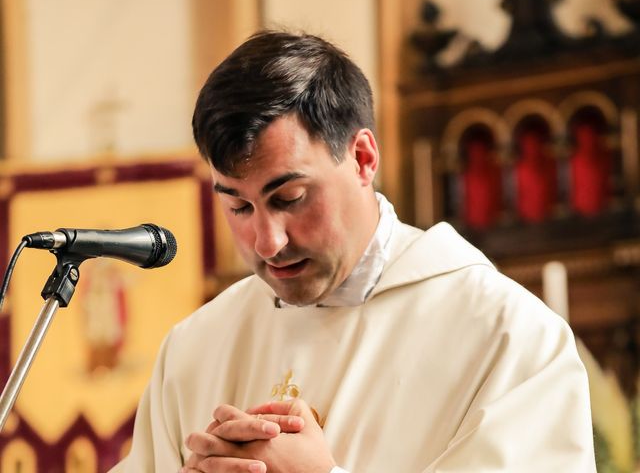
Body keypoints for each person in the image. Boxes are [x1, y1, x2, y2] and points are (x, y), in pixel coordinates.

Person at [110, 31, 596, 472]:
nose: (268, 242)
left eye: (290, 199)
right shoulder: (195, 347)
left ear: (363, 158)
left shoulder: (507, 336)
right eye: (238, 206)